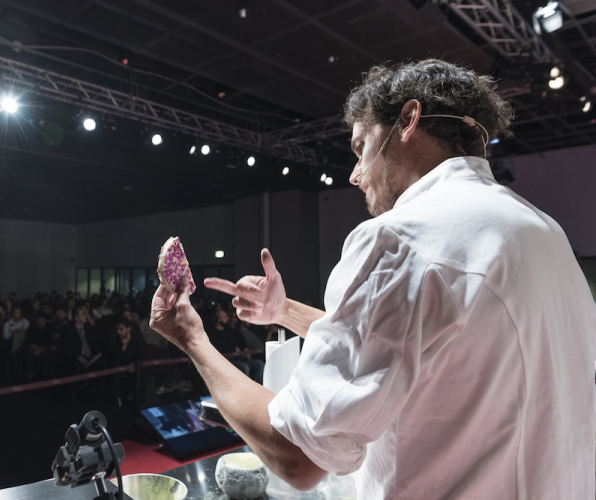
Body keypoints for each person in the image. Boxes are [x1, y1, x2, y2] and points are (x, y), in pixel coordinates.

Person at [150, 59, 596, 498]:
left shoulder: (401, 237)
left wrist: (193, 339)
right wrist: (282, 311)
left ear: (408, 120)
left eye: (361, 147)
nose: (355, 173)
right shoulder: (544, 231)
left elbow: (298, 456)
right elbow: (419, 341)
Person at [207, 309, 263, 384]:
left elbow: (239, 343)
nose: (228, 318)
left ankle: (258, 387)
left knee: (258, 364)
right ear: (219, 319)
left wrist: (245, 349)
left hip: (238, 358)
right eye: (225, 317)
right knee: (244, 367)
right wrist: (233, 349)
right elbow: (218, 348)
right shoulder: (213, 334)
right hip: (226, 361)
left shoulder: (229, 331)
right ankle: (244, 390)